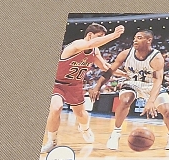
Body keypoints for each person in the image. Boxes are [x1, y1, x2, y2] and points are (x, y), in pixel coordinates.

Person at [88, 30, 169, 153]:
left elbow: (158, 80)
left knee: (168, 111)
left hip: (151, 85)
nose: (135, 40)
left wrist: (151, 101)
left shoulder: (156, 57)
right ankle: (115, 133)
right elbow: (109, 72)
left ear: (149, 40)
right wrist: (97, 86)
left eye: (139, 38)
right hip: (132, 83)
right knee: (125, 100)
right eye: (135, 37)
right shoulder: (125, 54)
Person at [42, 24, 125, 153]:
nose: (101, 40)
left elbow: (104, 67)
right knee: (56, 108)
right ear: (90, 35)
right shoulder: (77, 44)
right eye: (99, 37)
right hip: (58, 83)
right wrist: (114, 35)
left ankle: (84, 128)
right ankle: (52, 141)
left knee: (81, 114)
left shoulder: (95, 51)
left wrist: (124, 74)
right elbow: (89, 44)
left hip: (75, 85)